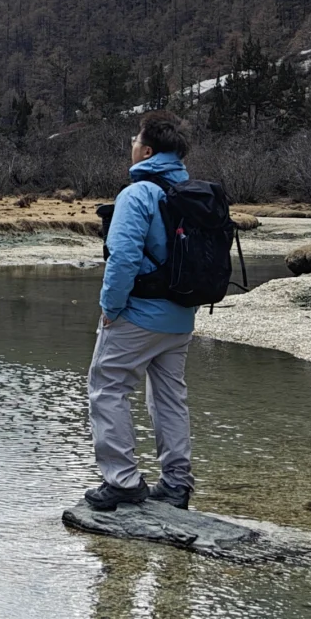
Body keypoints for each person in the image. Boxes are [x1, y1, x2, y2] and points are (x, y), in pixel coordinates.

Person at [84, 110, 198, 512]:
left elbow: (123, 258)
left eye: (135, 138)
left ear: (147, 150)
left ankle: (123, 482)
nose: (131, 144)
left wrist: (109, 309)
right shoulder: (190, 192)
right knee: (169, 397)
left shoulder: (138, 193)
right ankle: (176, 484)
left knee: (107, 387)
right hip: (181, 316)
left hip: (138, 314)